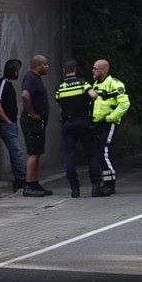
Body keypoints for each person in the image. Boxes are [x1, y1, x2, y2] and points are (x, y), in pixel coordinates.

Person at [52, 59, 96, 197]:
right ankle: (95, 185)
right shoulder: (83, 83)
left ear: (65, 71)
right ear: (75, 69)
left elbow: (58, 100)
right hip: (83, 122)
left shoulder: (60, 88)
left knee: (70, 155)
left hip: (68, 124)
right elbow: (93, 95)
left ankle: (74, 188)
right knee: (92, 153)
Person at [90, 58, 131, 196]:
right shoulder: (96, 84)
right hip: (97, 123)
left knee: (104, 152)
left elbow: (124, 104)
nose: (93, 71)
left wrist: (111, 117)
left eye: (95, 68)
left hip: (108, 123)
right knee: (101, 153)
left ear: (103, 70)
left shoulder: (114, 84)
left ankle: (109, 184)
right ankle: (107, 183)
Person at [19, 55, 52, 197]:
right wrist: (32, 113)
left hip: (38, 122)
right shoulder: (31, 78)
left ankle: (35, 182)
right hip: (31, 121)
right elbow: (25, 95)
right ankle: (28, 185)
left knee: (37, 152)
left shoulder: (36, 79)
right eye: (45, 64)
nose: (47, 67)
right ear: (38, 65)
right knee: (33, 152)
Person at [0, 58, 27, 193]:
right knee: (16, 151)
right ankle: (21, 179)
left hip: (10, 123)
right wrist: (7, 121)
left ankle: (21, 178)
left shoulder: (8, 84)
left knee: (16, 151)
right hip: (6, 124)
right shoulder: (3, 84)